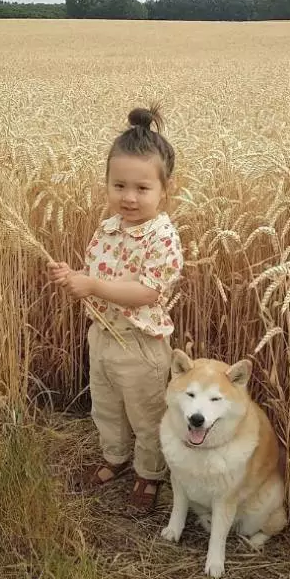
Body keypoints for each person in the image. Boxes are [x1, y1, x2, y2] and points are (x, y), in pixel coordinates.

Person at [47, 104, 183, 512]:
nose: (128, 197)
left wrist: (93, 285)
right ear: (106, 184)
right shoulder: (106, 228)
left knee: (146, 414)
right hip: (102, 335)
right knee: (105, 405)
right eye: (119, 185)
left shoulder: (162, 237)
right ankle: (115, 457)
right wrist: (74, 276)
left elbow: (147, 292)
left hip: (140, 344)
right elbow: (96, 274)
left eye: (142, 189)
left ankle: (149, 473)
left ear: (164, 191)